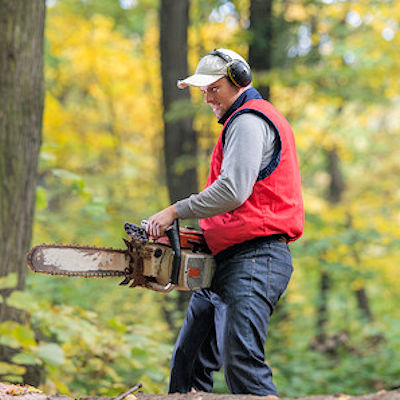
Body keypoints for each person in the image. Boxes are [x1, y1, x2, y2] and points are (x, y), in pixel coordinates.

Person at [144, 48, 304, 397]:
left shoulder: (249, 121)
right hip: (227, 261)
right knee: (189, 362)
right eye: (203, 91)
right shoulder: (238, 122)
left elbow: (233, 190)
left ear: (238, 81)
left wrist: (175, 210)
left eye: (213, 89)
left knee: (241, 362)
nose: (207, 98)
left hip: (255, 260)